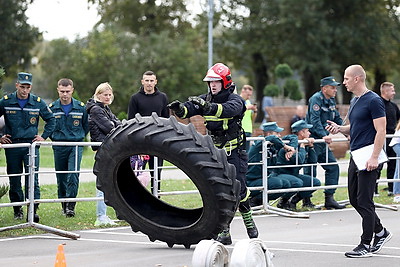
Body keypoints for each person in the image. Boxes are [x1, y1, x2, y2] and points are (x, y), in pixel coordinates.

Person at [168, 62, 258, 245]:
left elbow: (226, 111)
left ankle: (249, 220)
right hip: (216, 153)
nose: (213, 85)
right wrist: (179, 109)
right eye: (210, 82)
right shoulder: (205, 99)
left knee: (239, 190)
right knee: (220, 192)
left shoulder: (236, 100)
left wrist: (208, 107)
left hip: (235, 152)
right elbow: (189, 109)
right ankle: (224, 230)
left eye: (216, 81)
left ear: (225, 82)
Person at [326, 64, 392, 258]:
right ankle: (381, 232)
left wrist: (374, 157)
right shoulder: (355, 100)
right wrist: (340, 128)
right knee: (355, 199)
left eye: (346, 79)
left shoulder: (374, 101)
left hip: (369, 157)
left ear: (357, 79)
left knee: (365, 200)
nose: (343, 82)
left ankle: (365, 244)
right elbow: (354, 127)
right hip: (357, 155)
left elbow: (381, 130)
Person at [0, 72, 55, 222]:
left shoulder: (37, 102)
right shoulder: (6, 101)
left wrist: (43, 136)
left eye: (27, 87)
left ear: (31, 87)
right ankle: (17, 209)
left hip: (31, 146)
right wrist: (0, 137)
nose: (24, 90)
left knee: (32, 178)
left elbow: (51, 120)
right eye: (22, 86)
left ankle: (33, 209)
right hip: (13, 146)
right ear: (17, 85)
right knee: (15, 178)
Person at [49, 78, 89, 217]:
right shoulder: (52, 107)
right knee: (61, 177)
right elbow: (49, 126)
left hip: (75, 145)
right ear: (58, 91)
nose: (65, 94)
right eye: (62, 91)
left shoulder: (80, 107)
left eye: (67, 91)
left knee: (73, 174)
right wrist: (55, 137)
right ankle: (63, 205)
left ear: (72, 90)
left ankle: (71, 206)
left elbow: (86, 126)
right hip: (59, 145)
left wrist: (78, 136)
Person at [305, 76, 345, 209]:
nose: (335, 90)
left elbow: (338, 119)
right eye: (332, 87)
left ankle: (329, 198)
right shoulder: (316, 99)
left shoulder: (331, 100)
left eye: (336, 88)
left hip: (322, 141)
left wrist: (347, 132)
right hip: (313, 140)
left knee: (332, 167)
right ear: (324, 88)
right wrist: (323, 135)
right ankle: (305, 199)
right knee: (310, 170)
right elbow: (314, 121)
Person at [128, 71, 169, 193]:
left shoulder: (163, 97)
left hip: (158, 142)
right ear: (142, 82)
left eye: (152, 81)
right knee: (138, 173)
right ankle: (138, 200)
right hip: (141, 143)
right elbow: (131, 121)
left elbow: (166, 120)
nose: (149, 83)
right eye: (147, 80)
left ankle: (157, 197)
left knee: (156, 173)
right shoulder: (135, 98)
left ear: (156, 82)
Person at [87, 82, 121, 226]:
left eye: (109, 95)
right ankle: (100, 216)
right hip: (102, 148)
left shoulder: (105, 108)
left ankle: (104, 215)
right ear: (98, 95)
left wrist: (115, 125)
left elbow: (118, 124)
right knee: (102, 183)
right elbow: (109, 127)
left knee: (107, 182)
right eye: (104, 95)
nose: (107, 97)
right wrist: (114, 125)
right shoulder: (96, 109)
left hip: (107, 147)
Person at [246, 122, 299, 207]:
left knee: (287, 184)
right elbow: (272, 138)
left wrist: (291, 149)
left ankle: (261, 201)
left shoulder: (274, 144)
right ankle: (253, 201)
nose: (279, 135)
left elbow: (293, 137)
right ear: (268, 133)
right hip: (251, 180)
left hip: (265, 178)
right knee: (277, 183)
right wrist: (285, 146)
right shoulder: (260, 142)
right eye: (277, 133)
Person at [274, 120, 321, 210]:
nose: (309, 133)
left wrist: (311, 147)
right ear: (301, 132)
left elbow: (313, 162)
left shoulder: (302, 143)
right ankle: (283, 201)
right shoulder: (290, 144)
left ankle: (293, 201)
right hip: (282, 174)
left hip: (294, 174)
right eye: (307, 131)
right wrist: (303, 146)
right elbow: (298, 160)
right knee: (297, 182)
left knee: (315, 182)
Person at [378, 82, 400, 196]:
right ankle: (374, 190)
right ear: (385, 91)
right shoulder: (378, 104)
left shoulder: (393, 106)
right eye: (392, 90)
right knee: (379, 164)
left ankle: (392, 188)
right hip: (381, 138)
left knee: (393, 164)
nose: (394, 93)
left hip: (392, 138)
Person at [239, 84, 257, 152]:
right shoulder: (238, 100)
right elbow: (238, 110)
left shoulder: (248, 102)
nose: (249, 97)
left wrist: (255, 111)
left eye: (250, 95)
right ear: (243, 91)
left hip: (248, 130)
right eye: (248, 95)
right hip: (241, 130)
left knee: (247, 152)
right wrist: (248, 107)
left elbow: (252, 119)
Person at [389, 120, 400, 203]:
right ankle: (397, 194)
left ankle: (396, 193)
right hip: (397, 145)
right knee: (399, 170)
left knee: (397, 169)